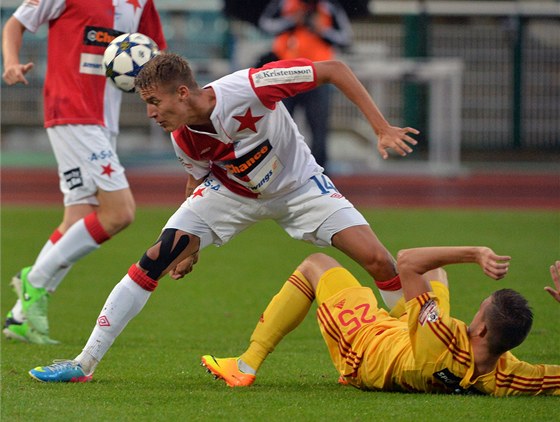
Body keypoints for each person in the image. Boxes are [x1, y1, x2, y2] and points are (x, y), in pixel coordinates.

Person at [27, 52, 419, 382]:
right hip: (232, 194)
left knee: (379, 260)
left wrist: (381, 128)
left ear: (182, 93)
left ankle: (414, 347)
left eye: (154, 101)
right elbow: (196, 180)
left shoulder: (251, 87)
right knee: (156, 257)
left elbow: (333, 69)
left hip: (301, 187)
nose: (149, 113)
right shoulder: (182, 136)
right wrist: (190, 249)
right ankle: (84, 363)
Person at [2, 0, 167, 344]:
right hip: (72, 111)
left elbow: (158, 56)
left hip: (104, 121)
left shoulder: (141, 2)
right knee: (119, 213)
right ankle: (36, 278)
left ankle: (19, 317)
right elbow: (14, 23)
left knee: (78, 216)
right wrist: (12, 62)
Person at [201, 250, 560, 396]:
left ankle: (245, 364)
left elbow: (407, 261)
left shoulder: (441, 336)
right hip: (408, 343)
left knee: (316, 263)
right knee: (436, 273)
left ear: (480, 330)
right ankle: (399, 310)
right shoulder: (508, 376)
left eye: (478, 313)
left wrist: (475, 253)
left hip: (367, 347)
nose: (472, 318)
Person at [258, 0, 352, 170]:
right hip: (285, 75)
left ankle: (319, 172)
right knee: (280, 127)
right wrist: (292, 21)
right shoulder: (284, 4)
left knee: (318, 127)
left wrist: (321, 30)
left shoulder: (329, 7)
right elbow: (265, 25)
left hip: (318, 76)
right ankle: (279, 170)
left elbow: (345, 37)